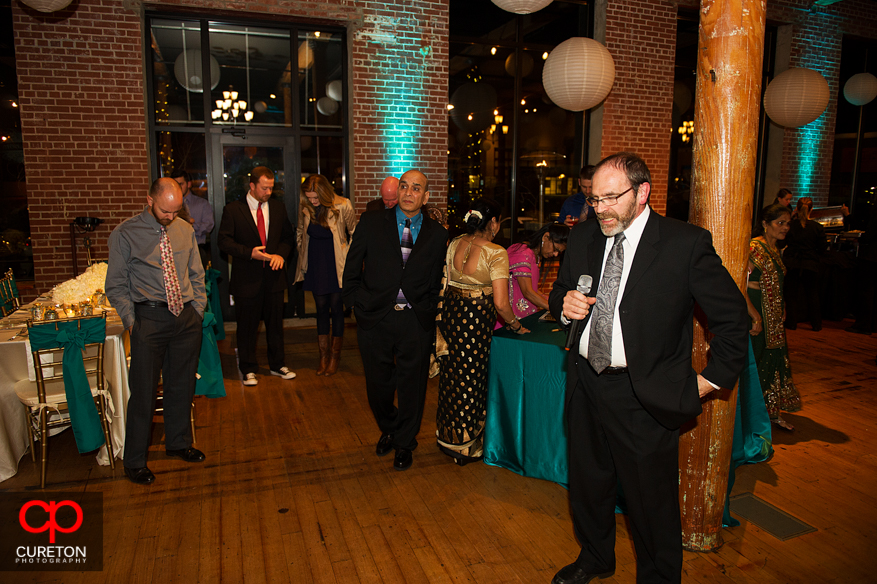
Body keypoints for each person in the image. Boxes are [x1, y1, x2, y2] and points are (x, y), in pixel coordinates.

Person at [548, 152, 748, 584]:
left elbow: (734, 320)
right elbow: (561, 292)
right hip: (584, 383)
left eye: (610, 198)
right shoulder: (583, 237)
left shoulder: (684, 243)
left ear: (642, 192)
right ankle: (596, 557)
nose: (600, 208)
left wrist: (710, 380)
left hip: (643, 397)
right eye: (594, 199)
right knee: (588, 485)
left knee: (650, 505)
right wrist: (563, 308)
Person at [342, 169, 447, 471]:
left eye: (416, 188)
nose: (408, 193)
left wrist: (428, 309)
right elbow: (352, 266)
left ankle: (404, 441)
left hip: (414, 320)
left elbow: (435, 277)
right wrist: (355, 303)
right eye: (404, 186)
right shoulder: (372, 222)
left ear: (425, 197)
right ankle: (389, 426)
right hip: (375, 317)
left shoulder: (437, 234)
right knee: (378, 384)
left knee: (412, 385)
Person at [106, 177, 207, 485]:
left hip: (185, 317)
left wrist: (198, 310)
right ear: (149, 201)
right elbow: (116, 284)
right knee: (144, 392)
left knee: (181, 385)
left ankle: (178, 443)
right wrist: (132, 320)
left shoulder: (184, 229)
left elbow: (196, 273)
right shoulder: (125, 233)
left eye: (176, 210)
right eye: (165, 210)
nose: (170, 216)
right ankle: (135, 460)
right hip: (148, 318)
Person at [436, 199, 528, 466]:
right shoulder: (496, 252)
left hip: (453, 316)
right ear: (494, 223)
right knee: (472, 380)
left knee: (453, 377)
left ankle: (448, 438)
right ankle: (466, 447)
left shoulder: (454, 243)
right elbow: (501, 304)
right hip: (475, 322)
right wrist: (516, 325)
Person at [218, 166, 296, 386]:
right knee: (247, 327)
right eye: (264, 188)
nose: (269, 192)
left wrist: (281, 255)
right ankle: (248, 368)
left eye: (272, 188)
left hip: (273, 279)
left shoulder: (279, 208)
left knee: (275, 326)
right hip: (246, 280)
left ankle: (277, 364)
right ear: (252, 186)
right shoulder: (233, 210)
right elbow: (223, 241)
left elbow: (287, 239)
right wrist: (249, 253)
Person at [745, 203, 802, 431]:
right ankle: (749, 416)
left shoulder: (776, 249)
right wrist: (755, 316)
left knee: (774, 362)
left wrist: (782, 305)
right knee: (757, 362)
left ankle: (770, 413)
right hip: (756, 310)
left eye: (788, 223)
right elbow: (739, 285)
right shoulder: (753, 248)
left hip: (774, 314)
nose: (785, 227)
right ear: (765, 224)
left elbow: (778, 281)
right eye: (780, 223)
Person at [295, 174, 356, 376]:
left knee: (337, 308)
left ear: (325, 192)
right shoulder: (306, 206)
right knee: (321, 308)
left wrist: (349, 260)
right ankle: (323, 356)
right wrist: (302, 252)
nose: (313, 201)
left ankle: (335, 356)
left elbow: (354, 233)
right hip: (315, 261)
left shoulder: (343, 205)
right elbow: (300, 232)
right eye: (309, 197)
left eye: (316, 197)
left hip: (335, 262)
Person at [497, 223, 569, 328]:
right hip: (509, 322)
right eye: (555, 249)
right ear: (546, 237)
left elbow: (533, 290)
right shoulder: (522, 253)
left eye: (559, 252)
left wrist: (554, 302)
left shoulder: (533, 255)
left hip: (522, 320)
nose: (555, 254)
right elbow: (528, 292)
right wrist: (554, 309)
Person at [783, 197, 825, 331]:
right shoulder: (817, 228)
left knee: (791, 295)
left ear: (797, 208)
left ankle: (791, 323)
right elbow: (823, 248)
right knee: (812, 295)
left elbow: (783, 242)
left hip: (792, 263)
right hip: (809, 264)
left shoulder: (791, 226)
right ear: (811, 209)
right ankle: (816, 324)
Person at [171, 170, 214, 268]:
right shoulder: (170, 205)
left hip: (197, 248)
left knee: (198, 280)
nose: (177, 187)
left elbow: (209, 225)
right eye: (174, 184)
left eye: (180, 184)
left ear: (188, 184)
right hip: (175, 249)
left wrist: (190, 226)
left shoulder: (202, 203)